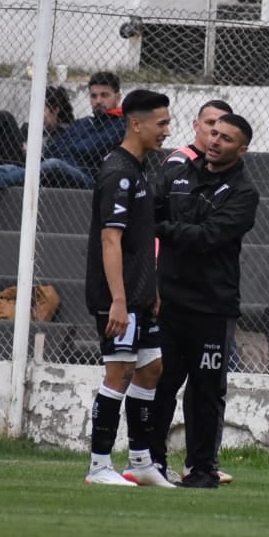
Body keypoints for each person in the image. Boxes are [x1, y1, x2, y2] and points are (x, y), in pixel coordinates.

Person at [154, 111, 259, 489]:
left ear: (242, 149)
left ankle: (201, 469)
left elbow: (208, 238)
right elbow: (150, 214)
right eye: (213, 132)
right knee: (160, 384)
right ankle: (152, 461)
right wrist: (174, 229)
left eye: (226, 138)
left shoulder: (245, 193)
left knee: (205, 391)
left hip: (212, 307)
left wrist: (165, 229)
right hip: (168, 302)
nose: (216, 141)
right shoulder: (178, 174)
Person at [82, 89, 174, 488]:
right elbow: (110, 240)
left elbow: (140, 238)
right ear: (137, 123)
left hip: (138, 295)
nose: (167, 131)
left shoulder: (137, 169)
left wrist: (148, 287)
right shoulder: (118, 172)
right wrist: (119, 299)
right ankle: (99, 465)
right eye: (162, 123)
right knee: (118, 374)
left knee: (151, 368)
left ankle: (139, 461)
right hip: (116, 297)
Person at [0, 72, 124, 192]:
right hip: (53, 167)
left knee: (54, 164)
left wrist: (67, 150)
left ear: (117, 98)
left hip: (85, 177)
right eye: (94, 96)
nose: (98, 101)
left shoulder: (121, 126)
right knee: (7, 167)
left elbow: (88, 150)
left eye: (104, 95)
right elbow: (56, 149)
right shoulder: (83, 123)